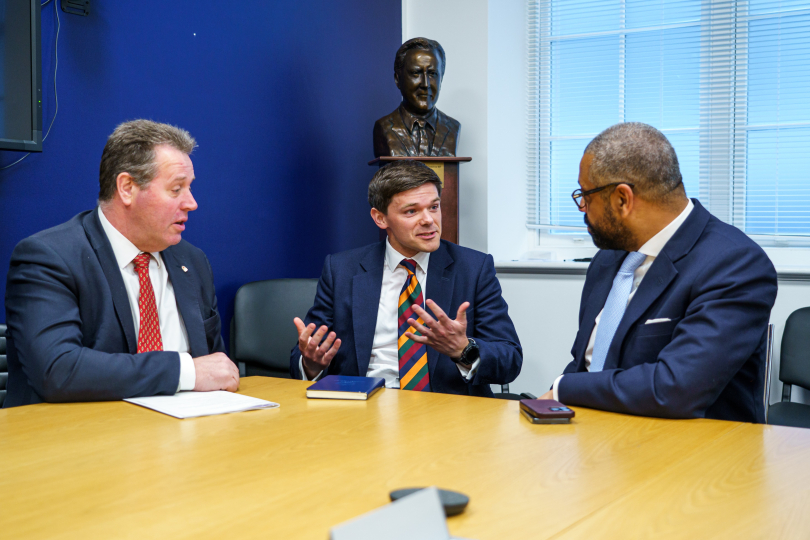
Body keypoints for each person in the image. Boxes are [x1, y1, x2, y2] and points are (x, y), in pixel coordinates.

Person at [540, 122, 777, 422]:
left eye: (585, 195)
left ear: (622, 200)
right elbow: (584, 366)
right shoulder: (608, 260)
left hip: (695, 456)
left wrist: (564, 389)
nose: (581, 207)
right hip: (596, 442)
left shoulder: (736, 265)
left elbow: (677, 388)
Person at [4, 119, 239, 407]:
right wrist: (184, 371)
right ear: (127, 187)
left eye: (189, 188)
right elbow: (57, 370)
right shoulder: (49, 258)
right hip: (79, 440)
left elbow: (215, 370)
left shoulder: (192, 262)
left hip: (183, 439)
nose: (192, 203)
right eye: (176, 189)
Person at [289, 161, 521, 396]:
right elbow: (307, 352)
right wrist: (312, 363)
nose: (429, 220)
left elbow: (510, 359)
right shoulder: (342, 269)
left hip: (446, 411)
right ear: (380, 218)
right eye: (411, 211)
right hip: (363, 408)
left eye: (434, 207)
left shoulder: (474, 269)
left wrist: (463, 349)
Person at [373, 37, 461, 158]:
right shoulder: (384, 127)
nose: (425, 84)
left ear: (441, 79)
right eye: (416, 73)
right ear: (398, 79)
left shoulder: (453, 127)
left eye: (432, 74)